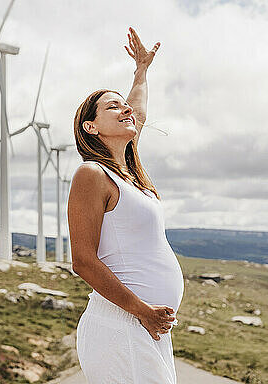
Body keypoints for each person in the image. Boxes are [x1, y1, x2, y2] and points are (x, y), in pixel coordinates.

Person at [67, 27, 185, 383]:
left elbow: (139, 110)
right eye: (112, 106)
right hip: (123, 324)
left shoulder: (130, 174)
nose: (126, 109)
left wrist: (141, 72)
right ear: (91, 126)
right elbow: (83, 261)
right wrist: (143, 311)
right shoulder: (92, 174)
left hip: (146, 327)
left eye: (126, 105)